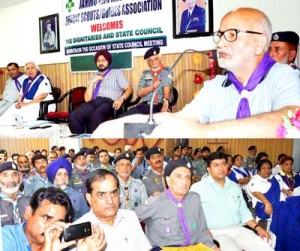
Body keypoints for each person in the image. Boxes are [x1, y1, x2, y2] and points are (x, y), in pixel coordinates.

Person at [93, 8, 300, 138]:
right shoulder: (215, 86)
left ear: (260, 42)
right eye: (219, 35)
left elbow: (292, 121)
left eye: (231, 34)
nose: (221, 43)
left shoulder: (285, 76)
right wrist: (121, 127)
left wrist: (204, 131)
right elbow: (181, 119)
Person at [190, 152, 273, 251]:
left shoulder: (234, 186)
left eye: (224, 164)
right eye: (216, 165)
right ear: (208, 169)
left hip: (238, 229)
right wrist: (201, 233)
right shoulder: (198, 188)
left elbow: (244, 211)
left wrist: (258, 228)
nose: (221, 168)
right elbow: (192, 216)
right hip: (216, 233)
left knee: (265, 247)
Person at [135, 159, 219, 250]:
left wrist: (212, 246)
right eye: (179, 176)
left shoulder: (194, 199)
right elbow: (128, 220)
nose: (184, 182)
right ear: (168, 180)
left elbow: (202, 231)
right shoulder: (156, 202)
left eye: (187, 177)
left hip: (192, 247)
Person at [2, 187, 106, 251]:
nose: (52, 228)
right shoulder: (4, 238)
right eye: (46, 218)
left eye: (59, 222)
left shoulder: (60, 244)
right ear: (29, 213)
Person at [73, 169, 152, 251]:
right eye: (102, 195)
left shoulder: (130, 217)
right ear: (89, 198)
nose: (110, 201)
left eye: (113, 193)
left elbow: (145, 248)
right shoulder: (78, 230)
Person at [69, 49, 133, 134]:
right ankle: (81, 137)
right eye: (98, 60)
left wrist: (121, 99)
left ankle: (93, 137)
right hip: (94, 102)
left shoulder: (117, 73)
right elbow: (87, 99)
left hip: (110, 102)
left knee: (96, 115)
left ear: (108, 61)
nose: (100, 62)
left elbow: (129, 89)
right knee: (74, 115)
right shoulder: (94, 76)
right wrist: (92, 82)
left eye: (103, 60)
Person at [118, 46, 173, 117]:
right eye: (151, 60)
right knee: (122, 118)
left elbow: (167, 86)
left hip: (159, 106)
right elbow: (140, 93)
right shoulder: (145, 74)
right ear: (148, 63)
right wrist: (152, 87)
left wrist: (165, 103)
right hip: (144, 106)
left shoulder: (167, 71)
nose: (154, 62)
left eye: (156, 59)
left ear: (160, 59)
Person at [0, 61, 55, 125]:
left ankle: (18, 126)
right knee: (12, 108)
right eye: (28, 69)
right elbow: (21, 94)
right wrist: (19, 103)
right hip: (27, 103)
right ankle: (4, 125)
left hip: (40, 103)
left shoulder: (43, 78)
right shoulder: (26, 80)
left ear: (37, 69)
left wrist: (27, 104)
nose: (30, 70)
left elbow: (42, 96)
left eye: (32, 68)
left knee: (24, 112)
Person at [0, 161, 30, 226]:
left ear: (20, 178)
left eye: (15, 175)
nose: (11, 179)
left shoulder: (30, 201)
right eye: (5, 175)